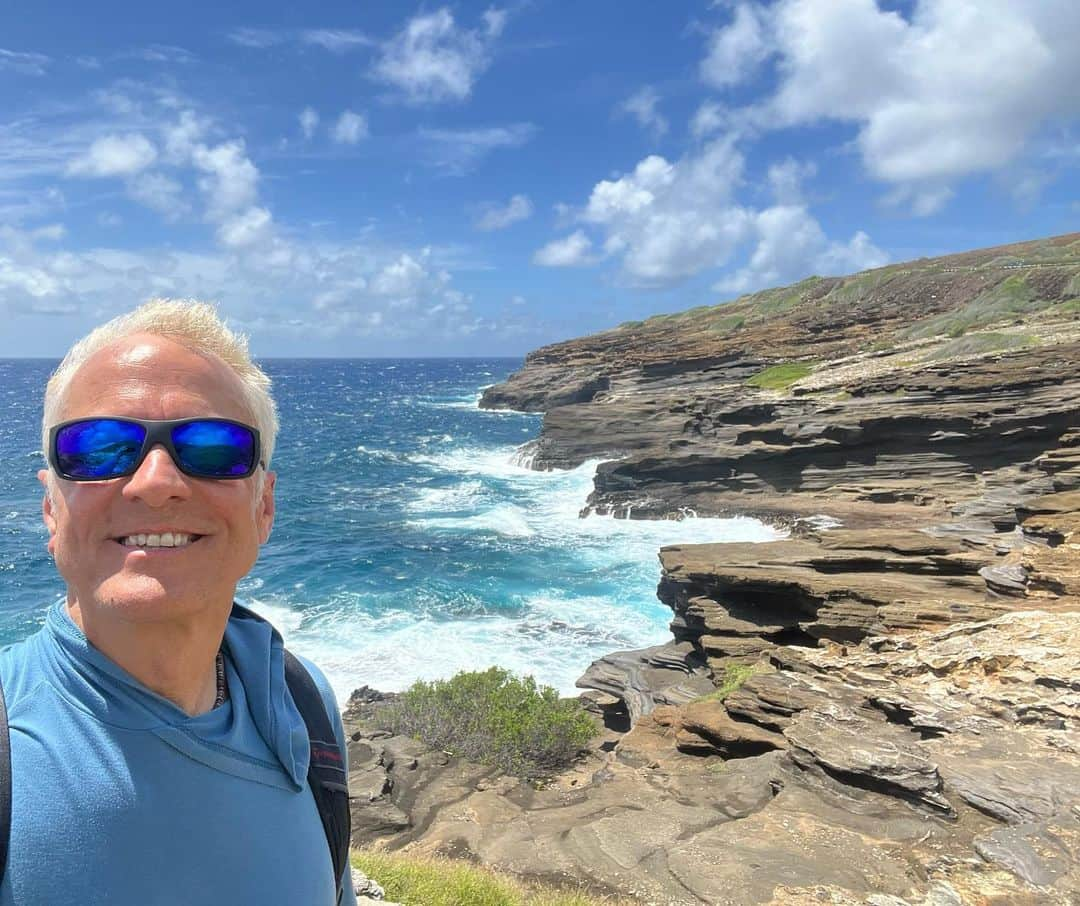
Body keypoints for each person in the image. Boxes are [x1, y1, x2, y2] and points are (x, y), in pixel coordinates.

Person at [0, 300, 357, 905]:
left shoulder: (303, 704)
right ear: (51, 509)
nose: (156, 481)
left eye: (214, 448)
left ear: (263, 506)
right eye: (100, 447)